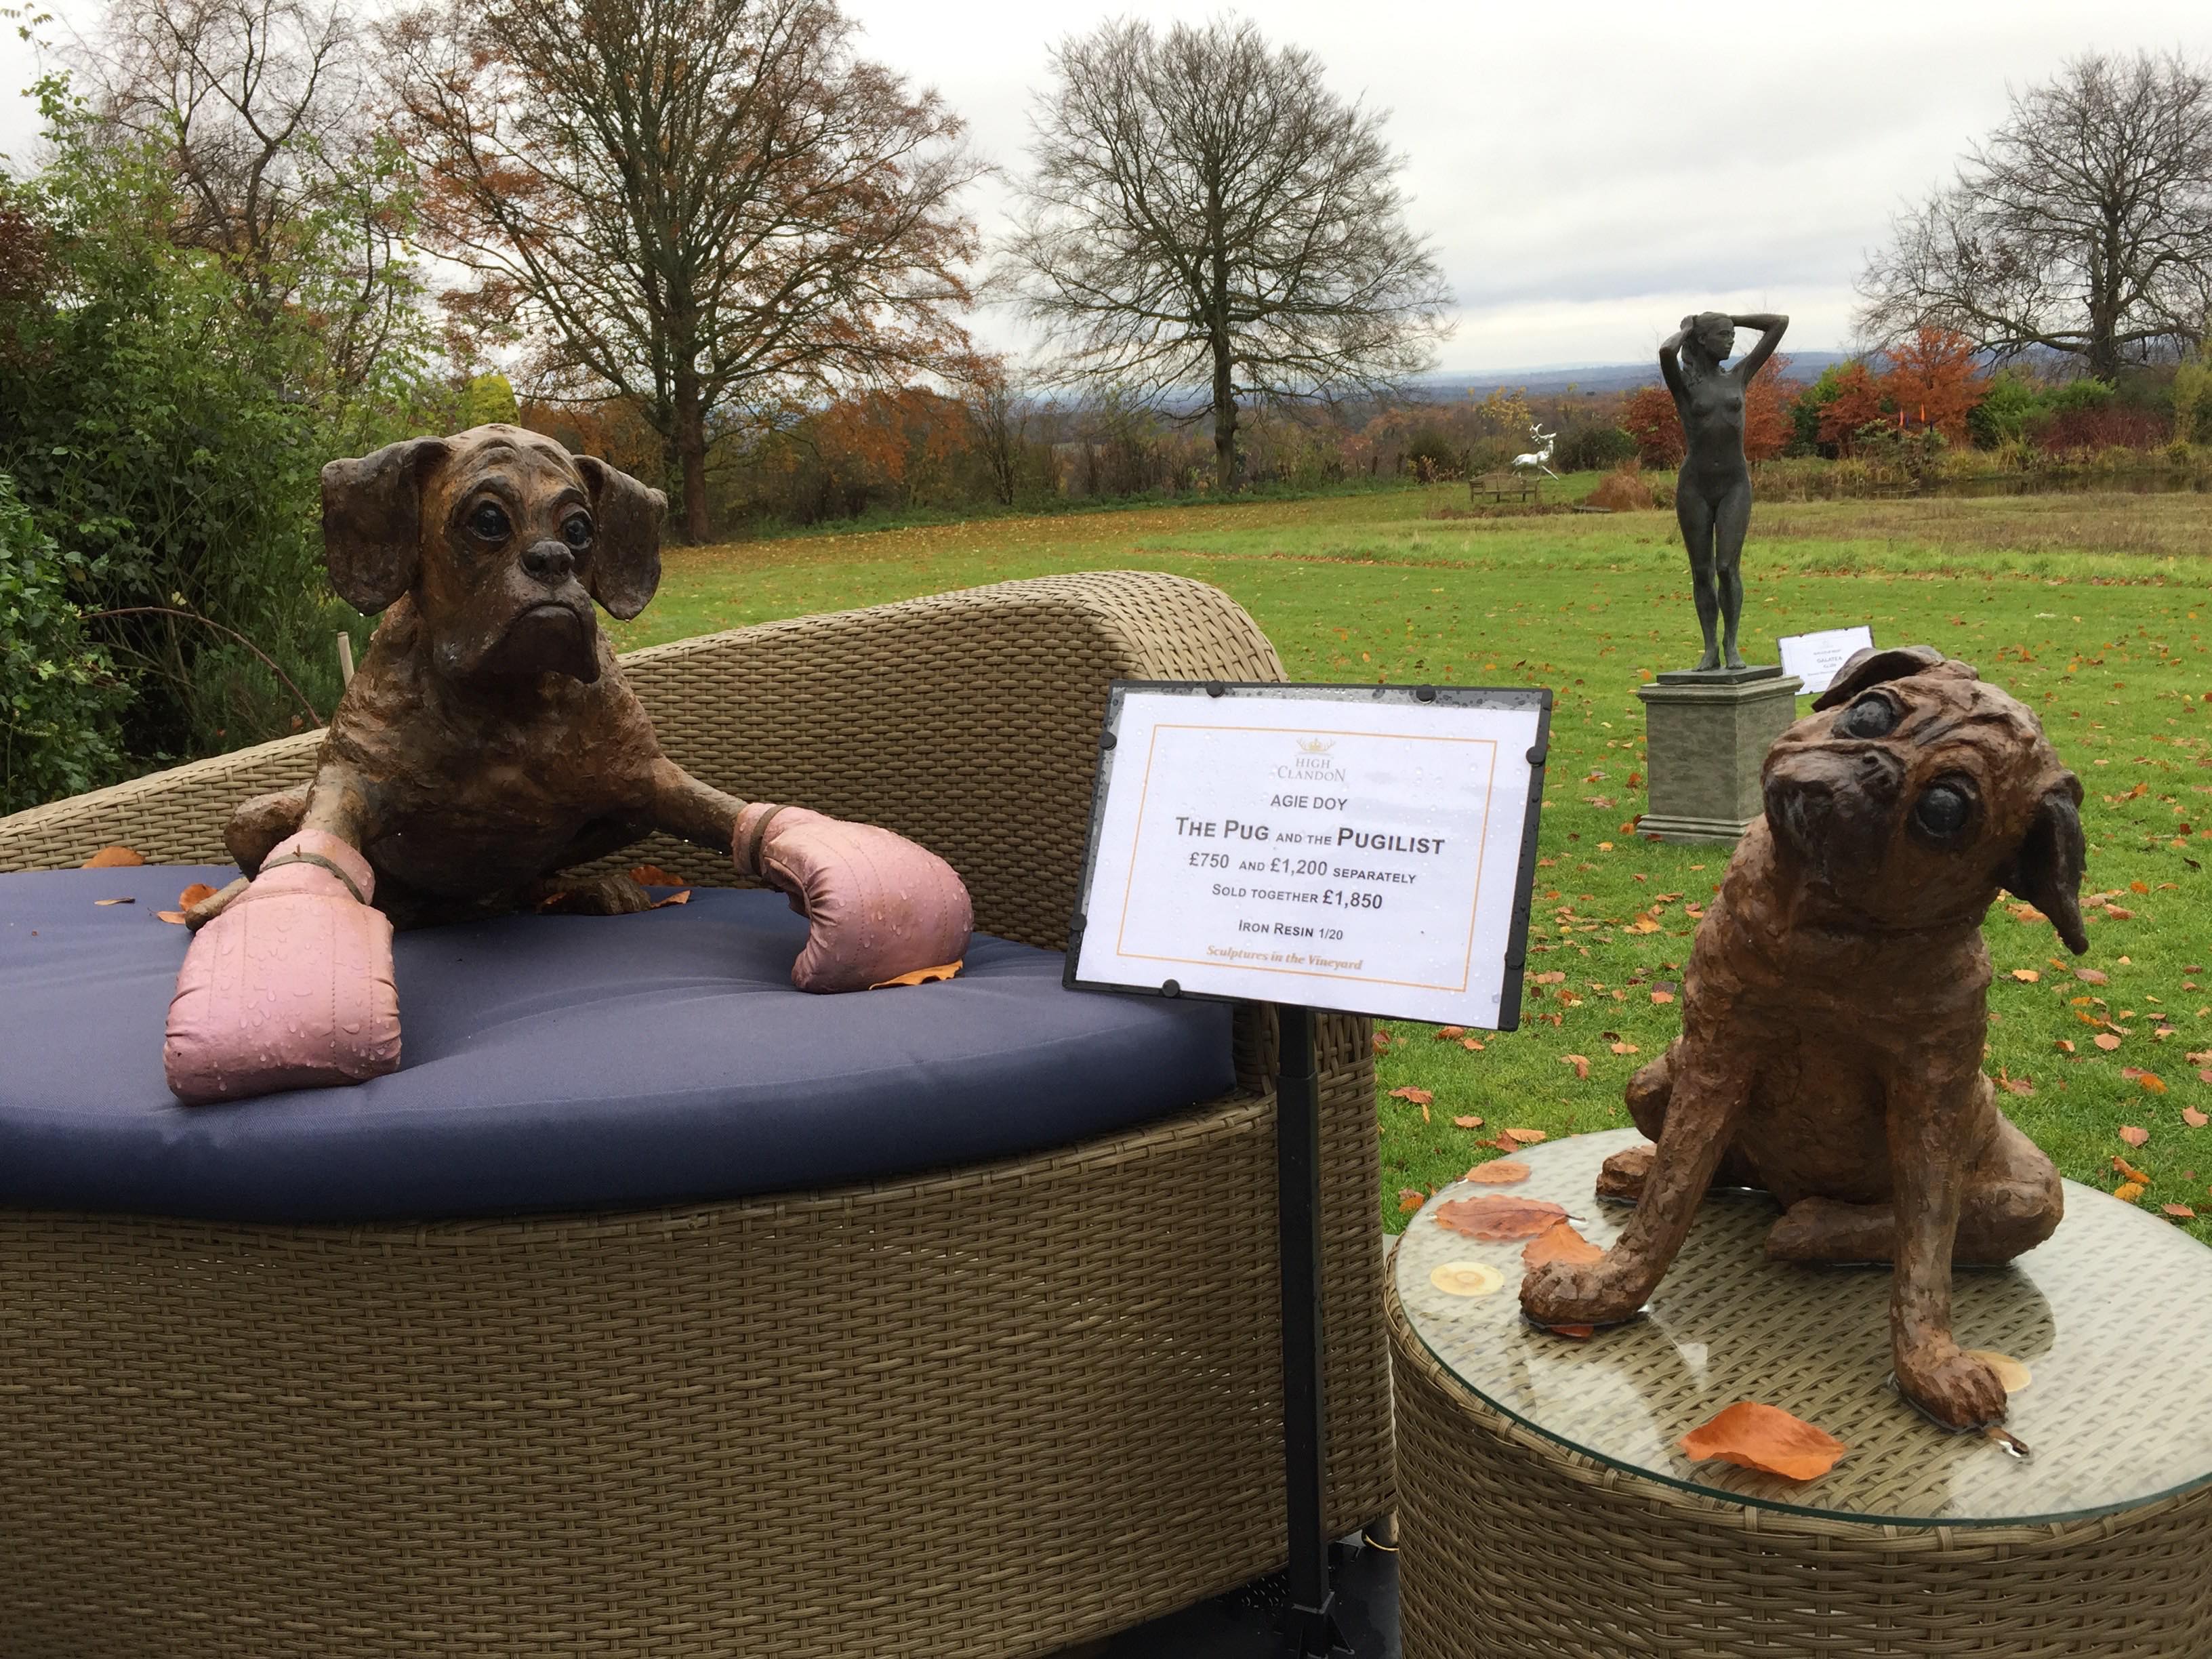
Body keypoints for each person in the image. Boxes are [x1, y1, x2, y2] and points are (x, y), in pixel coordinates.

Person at [1659, 310, 1788, 671]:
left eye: (1732, 335)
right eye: (1723, 335)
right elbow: (1667, 352)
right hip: (1695, 487)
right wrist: (1689, 327)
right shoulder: (1685, 386)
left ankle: (1731, 644)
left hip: (1734, 485)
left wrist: (1731, 318)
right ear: (1702, 340)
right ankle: (1710, 648)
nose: (1731, 340)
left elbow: (1779, 324)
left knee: (1727, 567)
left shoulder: (1740, 375)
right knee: (1702, 571)